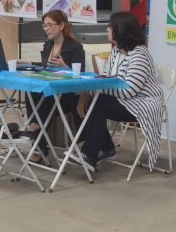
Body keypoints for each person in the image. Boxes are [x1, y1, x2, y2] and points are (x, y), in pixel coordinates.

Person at [76, 12, 164, 171]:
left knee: (98, 102)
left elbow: (129, 91)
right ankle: (105, 149)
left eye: (110, 27)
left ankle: (90, 154)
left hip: (143, 104)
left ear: (121, 30)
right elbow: (108, 79)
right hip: (125, 101)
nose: (107, 30)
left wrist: (98, 87)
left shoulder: (140, 55)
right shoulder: (116, 51)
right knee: (94, 99)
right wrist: (96, 87)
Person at [23, 10, 85, 164]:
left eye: (50, 25)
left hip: (68, 96)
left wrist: (65, 67)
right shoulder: (48, 45)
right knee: (31, 91)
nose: (46, 29)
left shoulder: (75, 47)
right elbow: (45, 67)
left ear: (61, 25)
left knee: (44, 96)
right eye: (44, 25)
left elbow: (81, 76)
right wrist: (27, 63)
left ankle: (34, 134)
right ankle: (36, 132)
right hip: (51, 93)